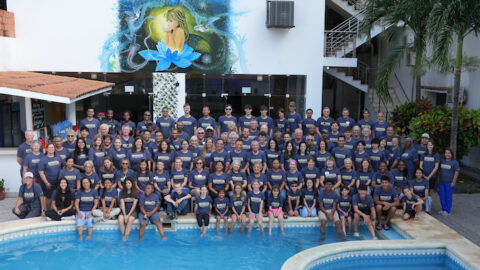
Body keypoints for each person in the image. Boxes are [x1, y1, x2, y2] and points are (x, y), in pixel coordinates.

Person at [38, 143, 64, 208]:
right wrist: (46, 182)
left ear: (55, 149)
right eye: (49, 147)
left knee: (58, 197)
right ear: (46, 149)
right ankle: (48, 212)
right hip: (48, 182)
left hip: (58, 181)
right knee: (49, 198)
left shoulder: (58, 158)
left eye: (52, 147)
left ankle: (57, 210)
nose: (51, 149)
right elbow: (41, 172)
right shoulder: (43, 159)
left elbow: (63, 167)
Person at [438, 148, 460, 216]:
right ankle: (443, 209)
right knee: (442, 196)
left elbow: (456, 172)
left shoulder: (454, 162)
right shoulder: (442, 161)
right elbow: (439, 170)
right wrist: (438, 179)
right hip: (442, 182)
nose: (447, 154)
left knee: (448, 196)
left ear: (451, 154)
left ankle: (447, 211)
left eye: (449, 153)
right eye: (446, 153)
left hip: (449, 182)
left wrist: (453, 182)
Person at [118, 177, 139, 241]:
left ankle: (126, 236)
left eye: (129, 183)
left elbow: (134, 205)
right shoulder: (122, 192)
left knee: (130, 220)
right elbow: (122, 204)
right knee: (120, 220)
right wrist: (124, 214)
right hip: (125, 210)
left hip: (133, 211)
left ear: (132, 184)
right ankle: (124, 235)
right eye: (126, 183)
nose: (127, 184)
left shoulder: (136, 192)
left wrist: (128, 215)